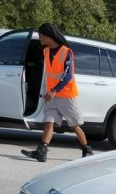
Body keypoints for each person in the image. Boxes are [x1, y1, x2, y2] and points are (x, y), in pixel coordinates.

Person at [21, 23, 94, 162]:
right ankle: (42, 151)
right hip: (51, 95)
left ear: (48, 36)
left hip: (65, 95)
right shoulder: (46, 51)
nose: (40, 38)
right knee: (49, 121)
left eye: (41, 36)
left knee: (74, 125)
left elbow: (67, 76)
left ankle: (87, 150)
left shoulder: (66, 52)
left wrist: (55, 91)